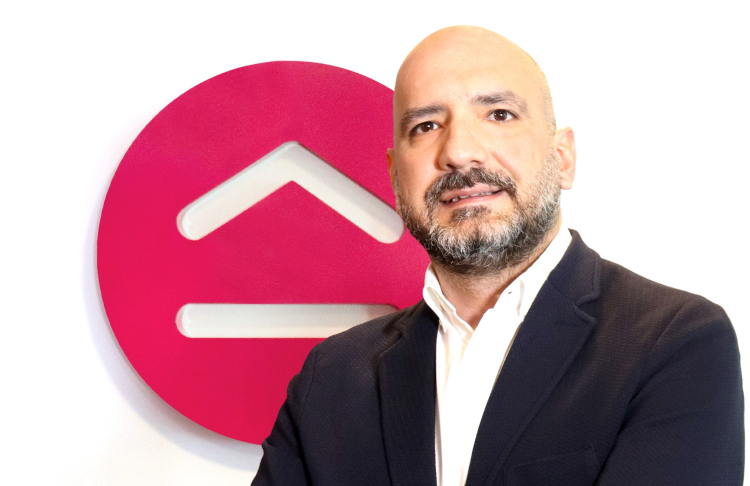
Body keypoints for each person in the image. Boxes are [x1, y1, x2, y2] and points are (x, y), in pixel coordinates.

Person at [252, 26, 743, 486]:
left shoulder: (673, 342)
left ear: (563, 158)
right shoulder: (330, 377)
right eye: (426, 125)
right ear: (395, 175)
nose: (460, 151)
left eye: (499, 115)